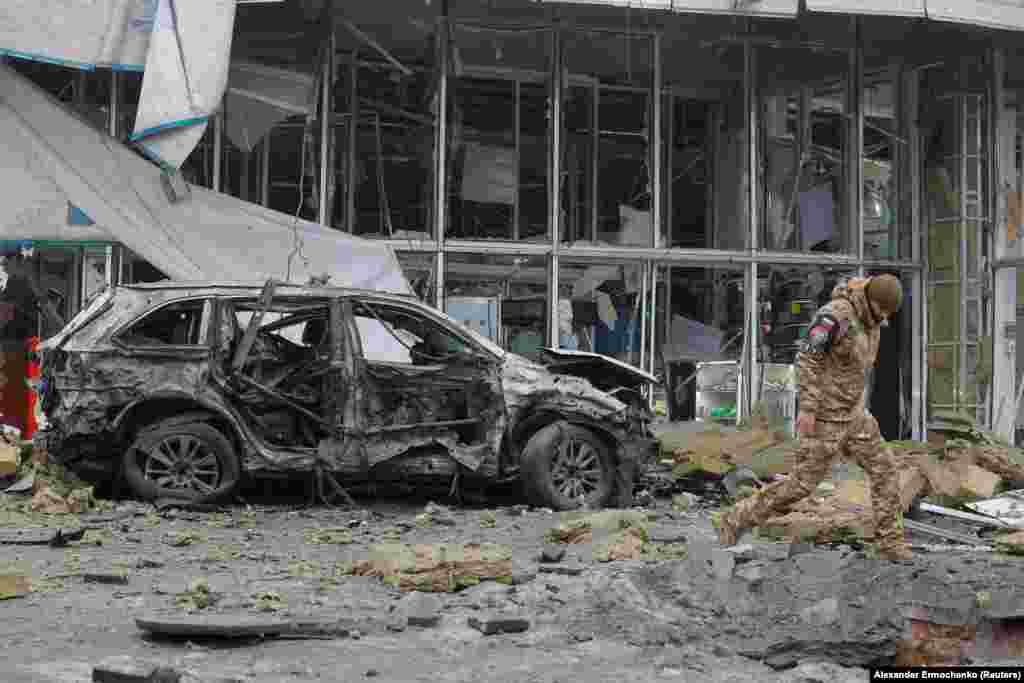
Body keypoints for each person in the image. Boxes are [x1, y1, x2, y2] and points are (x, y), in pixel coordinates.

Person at [715, 274, 912, 561]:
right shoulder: (834, 317)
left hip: (855, 415)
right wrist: (807, 409)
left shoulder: (872, 320)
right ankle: (735, 519)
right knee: (800, 486)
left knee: (886, 470)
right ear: (870, 299)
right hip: (824, 417)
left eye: (888, 314)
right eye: (882, 311)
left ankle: (890, 543)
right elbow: (807, 359)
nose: (883, 318)